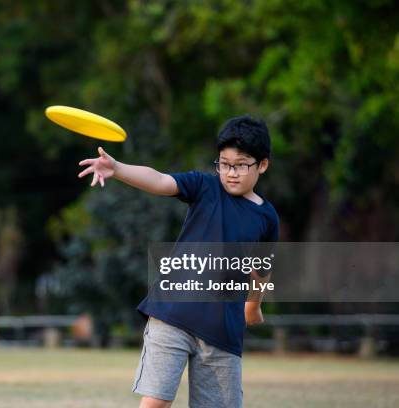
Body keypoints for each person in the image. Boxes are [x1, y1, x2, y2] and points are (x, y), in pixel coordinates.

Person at [77, 115, 280, 408]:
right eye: (224, 164)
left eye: (241, 164)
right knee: (156, 403)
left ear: (262, 164)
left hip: (222, 331)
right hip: (172, 314)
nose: (231, 172)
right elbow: (159, 180)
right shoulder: (205, 187)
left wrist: (254, 305)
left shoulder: (267, 217)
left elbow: (261, 268)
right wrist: (118, 169)